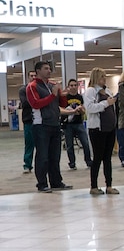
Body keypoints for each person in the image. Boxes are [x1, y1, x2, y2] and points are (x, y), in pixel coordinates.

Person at [26, 61, 74, 193]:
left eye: (49, 68)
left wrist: (62, 95)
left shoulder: (52, 85)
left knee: (55, 156)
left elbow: (61, 104)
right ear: (38, 71)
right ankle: (41, 184)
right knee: (43, 156)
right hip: (41, 125)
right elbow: (35, 104)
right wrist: (52, 95)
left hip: (54, 124)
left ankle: (56, 182)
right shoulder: (32, 86)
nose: (49, 71)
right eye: (46, 69)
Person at [83, 68, 119, 195]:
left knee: (107, 158)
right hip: (97, 129)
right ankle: (94, 186)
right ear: (96, 78)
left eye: (105, 76)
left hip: (109, 128)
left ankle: (109, 185)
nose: (105, 79)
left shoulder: (108, 91)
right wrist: (106, 103)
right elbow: (90, 108)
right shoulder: (91, 91)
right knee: (98, 158)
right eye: (102, 77)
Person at [61, 79, 92, 171]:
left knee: (85, 143)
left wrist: (81, 110)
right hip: (68, 124)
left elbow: (84, 110)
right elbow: (62, 110)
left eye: (75, 85)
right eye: (71, 85)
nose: (73, 87)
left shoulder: (81, 97)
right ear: (68, 87)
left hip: (79, 123)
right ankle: (72, 163)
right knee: (69, 145)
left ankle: (88, 161)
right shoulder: (65, 98)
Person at [18, 82, 34, 174]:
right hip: (28, 119)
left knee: (42, 144)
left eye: (34, 75)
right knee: (29, 143)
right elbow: (25, 103)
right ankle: (27, 165)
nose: (33, 77)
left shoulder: (40, 88)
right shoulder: (23, 90)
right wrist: (36, 101)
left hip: (41, 120)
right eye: (31, 75)